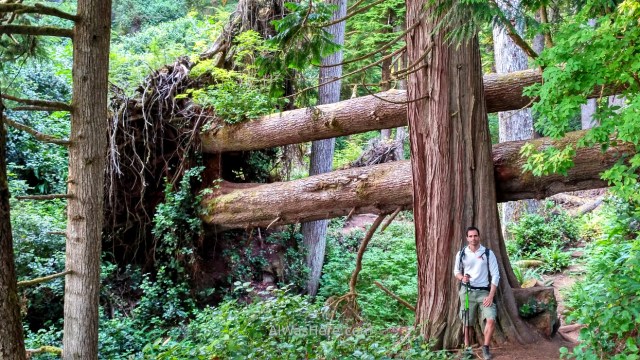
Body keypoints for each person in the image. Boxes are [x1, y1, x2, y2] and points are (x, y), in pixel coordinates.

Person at [453, 226, 499, 360]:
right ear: (467, 238)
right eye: (471, 236)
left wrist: (491, 295)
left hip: (484, 292)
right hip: (467, 292)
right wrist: (462, 278)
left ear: (479, 236)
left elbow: (495, 275)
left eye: (475, 236)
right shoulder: (461, 253)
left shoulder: (488, 253)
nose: (473, 238)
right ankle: (467, 347)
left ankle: (485, 347)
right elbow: (456, 271)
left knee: (491, 319)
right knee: (467, 320)